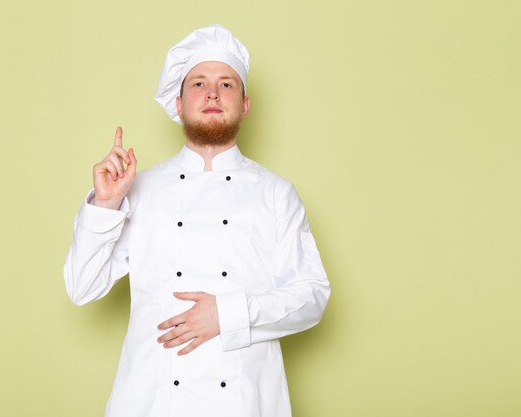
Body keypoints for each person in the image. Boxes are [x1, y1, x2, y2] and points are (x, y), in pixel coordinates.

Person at [64, 24, 331, 417]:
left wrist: (228, 314)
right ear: (178, 101)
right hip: (151, 403)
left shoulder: (276, 193)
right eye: (199, 83)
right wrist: (105, 205)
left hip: (243, 402)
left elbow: (313, 297)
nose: (211, 93)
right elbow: (80, 288)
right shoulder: (138, 190)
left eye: (226, 84)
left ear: (244, 105)